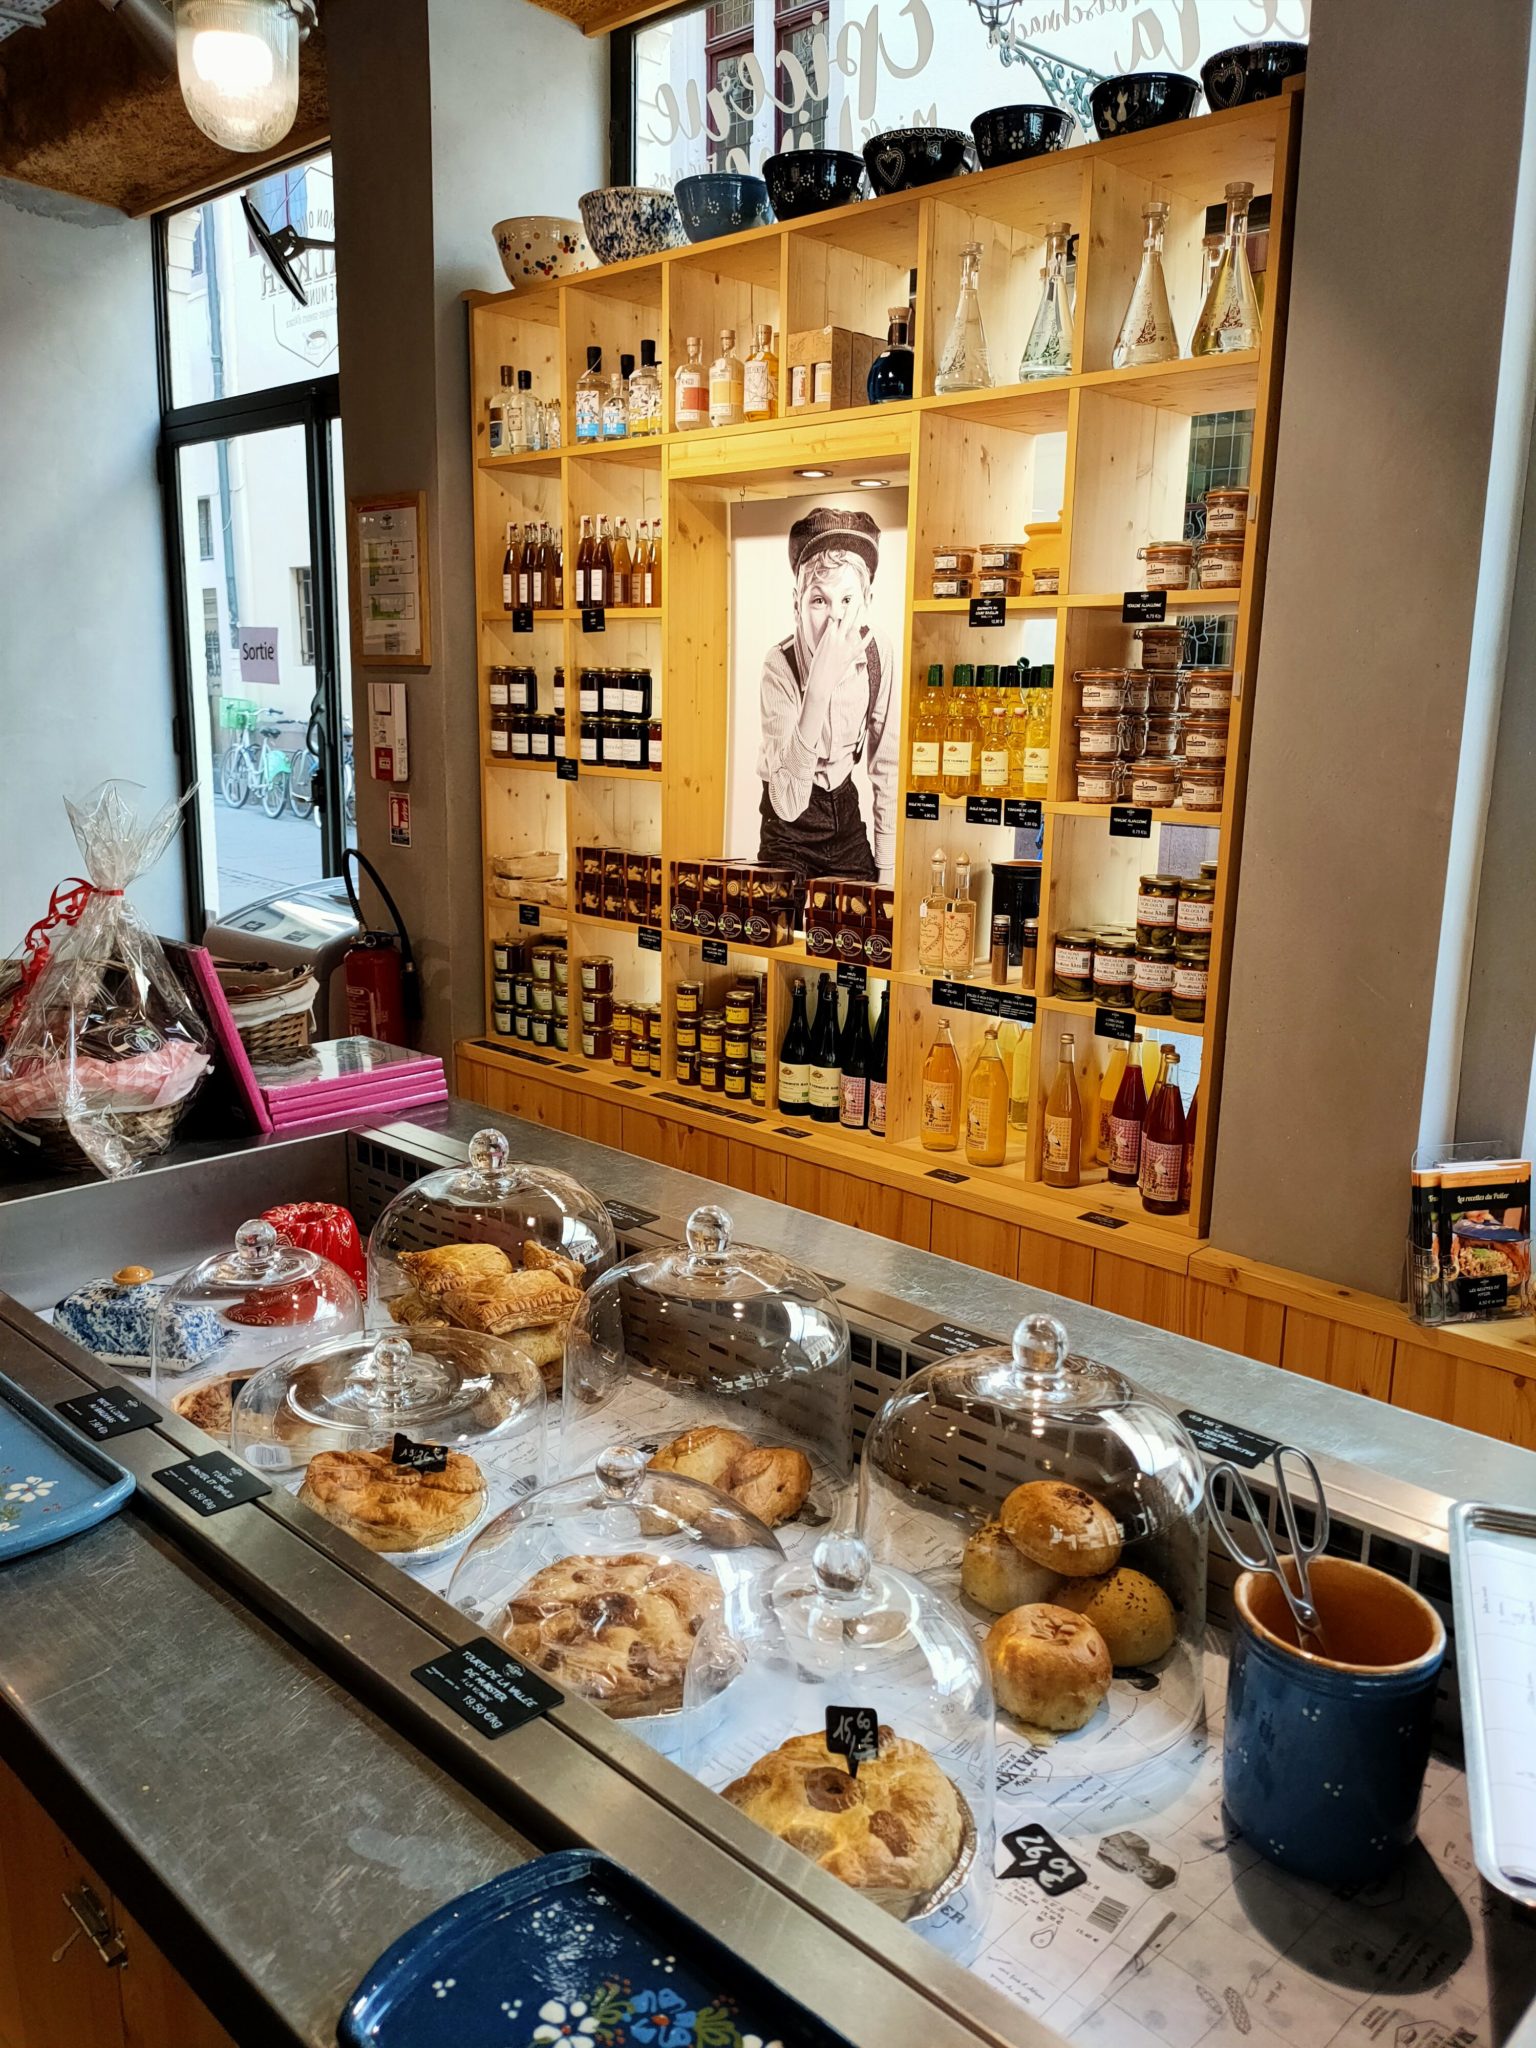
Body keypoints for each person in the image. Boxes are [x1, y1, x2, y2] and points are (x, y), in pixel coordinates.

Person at [756, 506, 896, 888]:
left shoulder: (878, 653)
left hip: (845, 817)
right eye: (819, 601)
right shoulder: (779, 665)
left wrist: (887, 870)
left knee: (866, 921)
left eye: (847, 600)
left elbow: (887, 766)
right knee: (781, 923)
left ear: (867, 600)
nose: (835, 619)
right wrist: (817, 689)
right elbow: (788, 802)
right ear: (796, 604)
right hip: (788, 830)